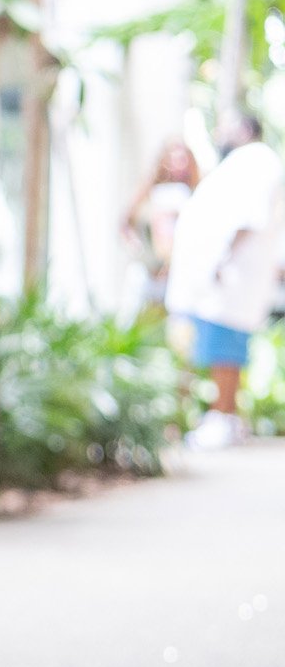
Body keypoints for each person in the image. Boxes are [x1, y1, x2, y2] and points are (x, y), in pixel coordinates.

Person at [166, 115, 285, 445]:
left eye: (228, 126)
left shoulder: (259, 161)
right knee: (217, 346)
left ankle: (223, 417)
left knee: (225, 350)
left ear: (245, 130)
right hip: (222, 280)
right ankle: (222, 418)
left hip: (230, 279)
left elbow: (249, 218)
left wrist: (222, 259)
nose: (222, 132)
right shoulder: (246, 163)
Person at [121, 139, 197, 316]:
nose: (178, 163)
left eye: (183, 159)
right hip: (148, 268)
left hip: (176, 272)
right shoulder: (151, 189)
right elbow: (126, 222)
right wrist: (137, 248)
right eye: (174, 158)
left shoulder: (193, 192)